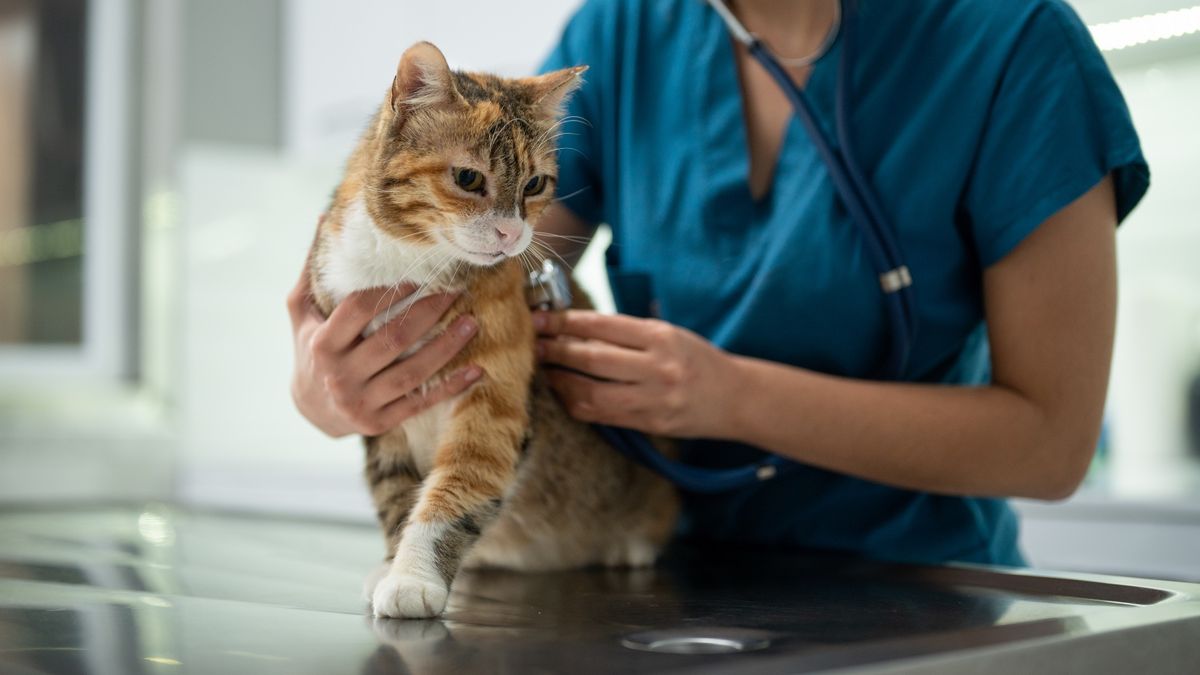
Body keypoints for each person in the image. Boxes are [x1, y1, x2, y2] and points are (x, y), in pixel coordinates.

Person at [288, 0, 1148, 566]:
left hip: (923, 590)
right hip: (658, 574)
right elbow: (484, 270)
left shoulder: (1017, 47)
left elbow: (1051, 444)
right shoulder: (625, 31)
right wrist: (333, 382)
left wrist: (729, 397)